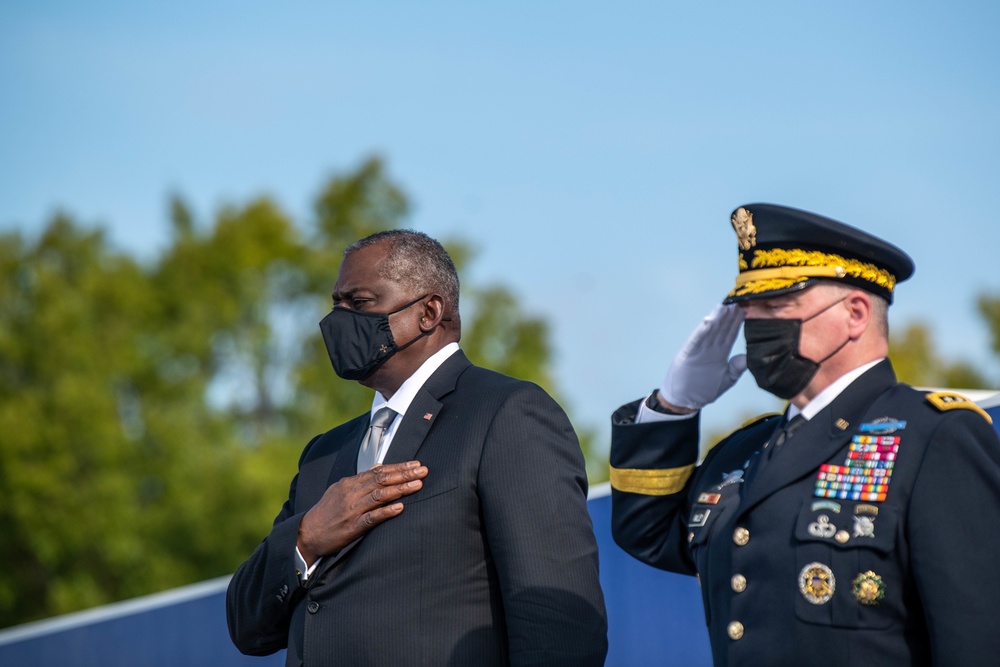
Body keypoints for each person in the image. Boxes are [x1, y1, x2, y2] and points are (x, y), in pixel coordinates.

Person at [610, 203, 1000, 666]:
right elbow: (647, 532)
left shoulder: (933, 437)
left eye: (776, 305)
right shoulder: (744, 451)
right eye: (748, 310)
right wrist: (674, 406)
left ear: (855, 314)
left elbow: (976, 638)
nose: (755, 325)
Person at [227, 230, 607, 667]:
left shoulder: (505, 413)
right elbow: (246, 626)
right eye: (336, 304)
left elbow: (558, 623)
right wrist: (307, 538)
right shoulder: (323, 455)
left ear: (429, 312)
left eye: (360, 302)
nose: (338, 319)